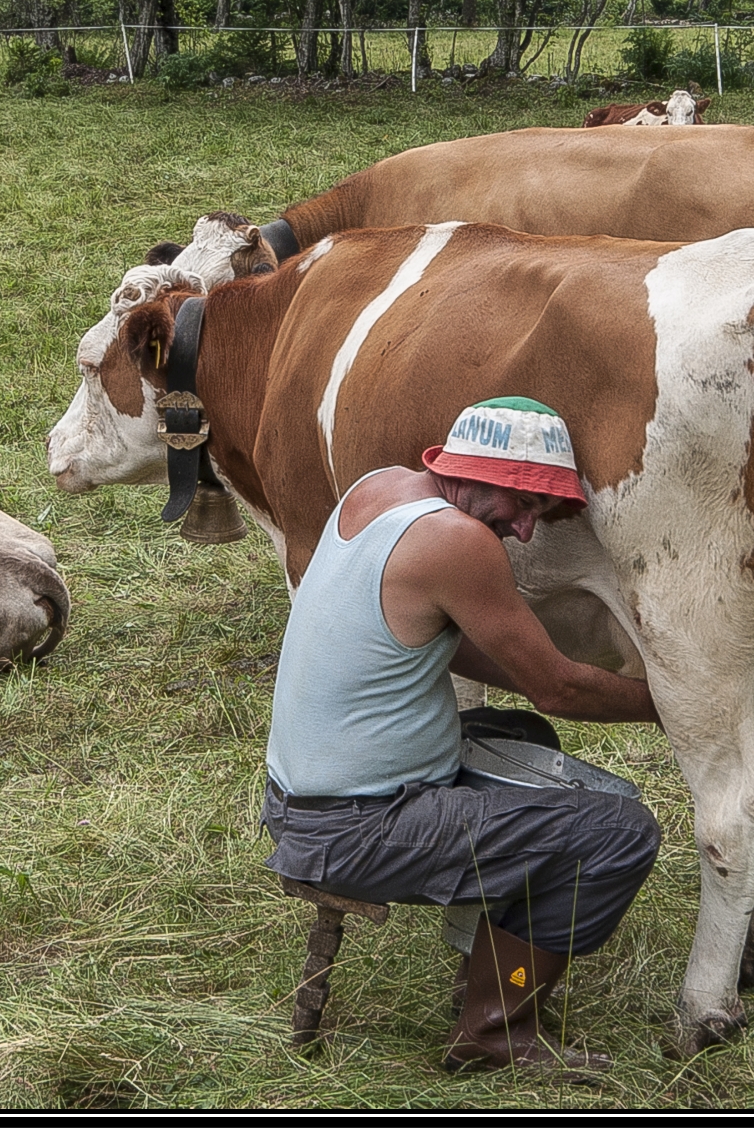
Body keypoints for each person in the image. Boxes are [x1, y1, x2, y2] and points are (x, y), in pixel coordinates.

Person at [261, 396, 661, 1073]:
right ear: (476, 475)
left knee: (522, 733)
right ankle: (495, 1026)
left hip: (300, 802)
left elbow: (451, 643)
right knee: (619, 834)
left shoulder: (376, 491)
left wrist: (538, 668)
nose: (526, 531)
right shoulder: (456, 540)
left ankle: (488, 955)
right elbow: (558, 689)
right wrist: (670, 705)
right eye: (524, 503)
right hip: (354, 828)